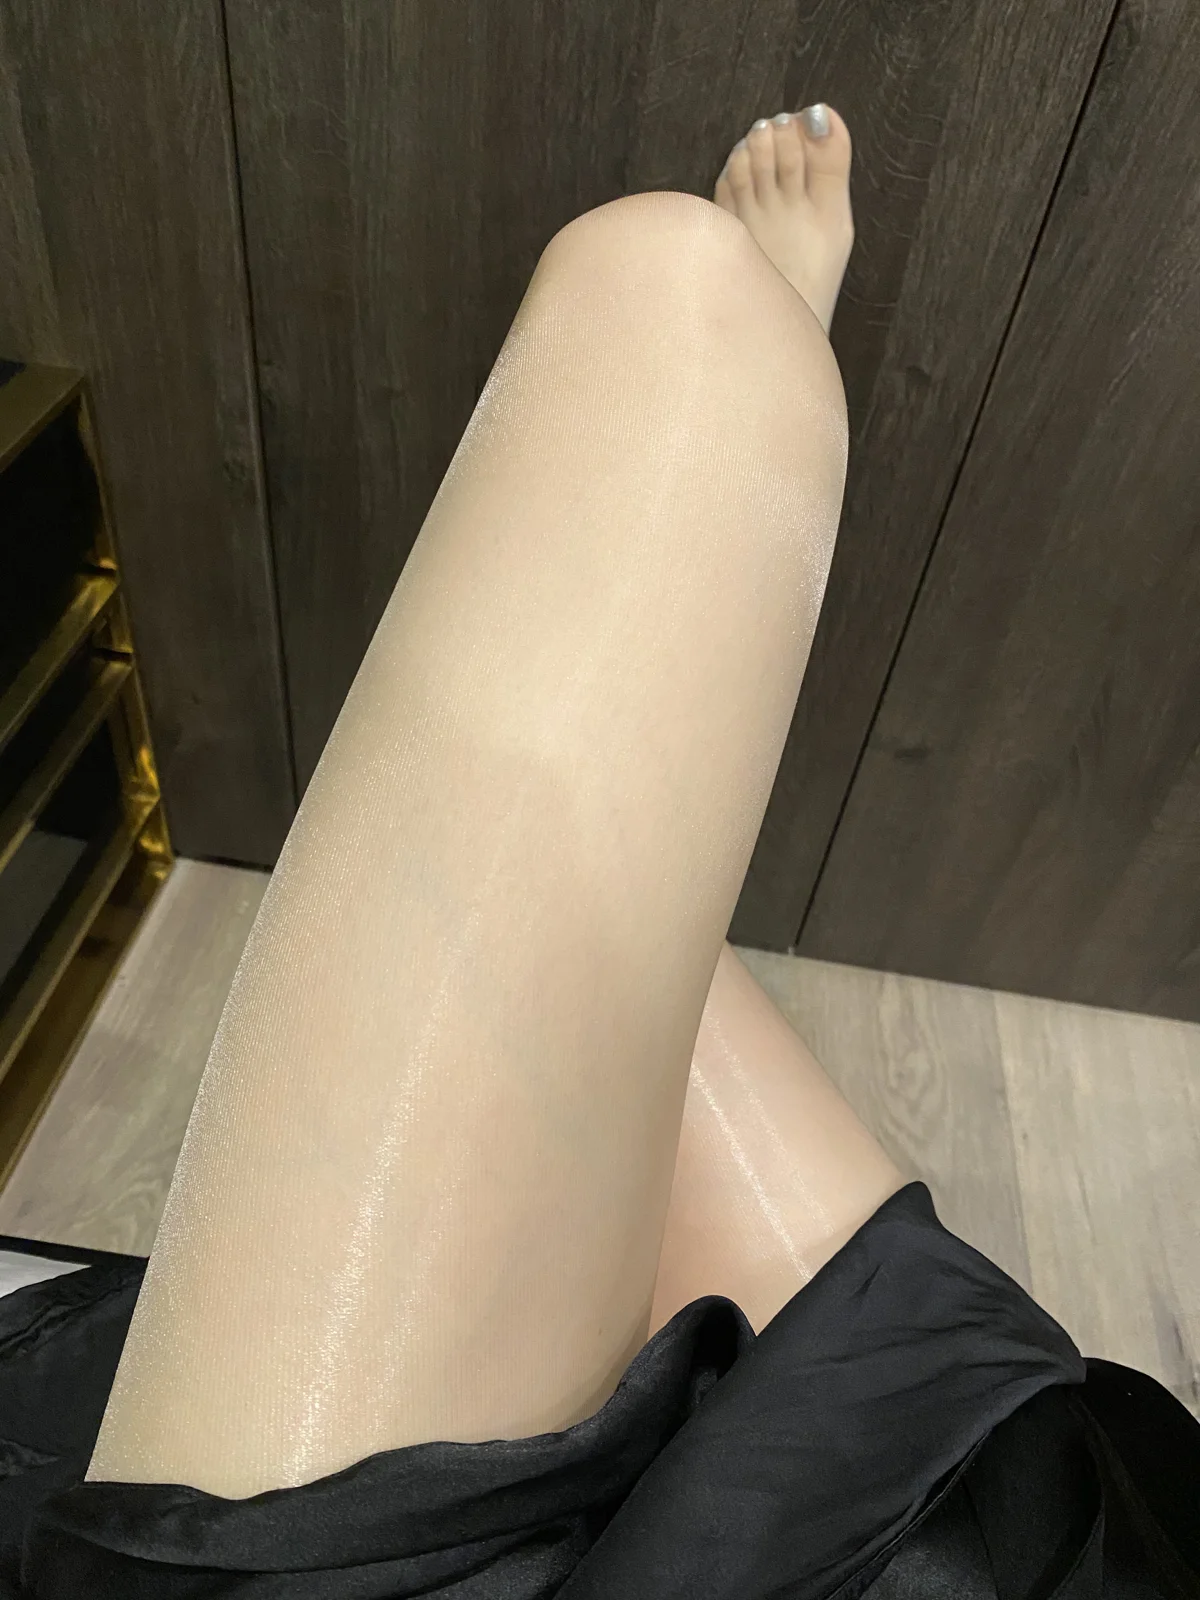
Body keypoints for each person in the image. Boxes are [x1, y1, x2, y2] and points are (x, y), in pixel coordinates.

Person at [1, 105, 1197, 1599]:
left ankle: (716, 483)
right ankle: (714, 509)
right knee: (672, 330)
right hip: (995, 1510)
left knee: (662, 295)